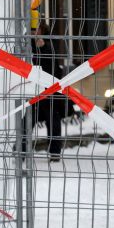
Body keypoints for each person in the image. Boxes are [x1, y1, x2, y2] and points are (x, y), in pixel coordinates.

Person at [32, 21, 65, 161]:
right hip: (32, 89)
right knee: (27, 121)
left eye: (36, 29)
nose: (34, 32)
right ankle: (20, 151)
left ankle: (55, 153)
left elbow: (53, 66)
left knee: (53, 122)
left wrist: (43, 48)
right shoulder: (27, 43)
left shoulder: (49, 43)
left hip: (49, 90)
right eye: (32, 29)